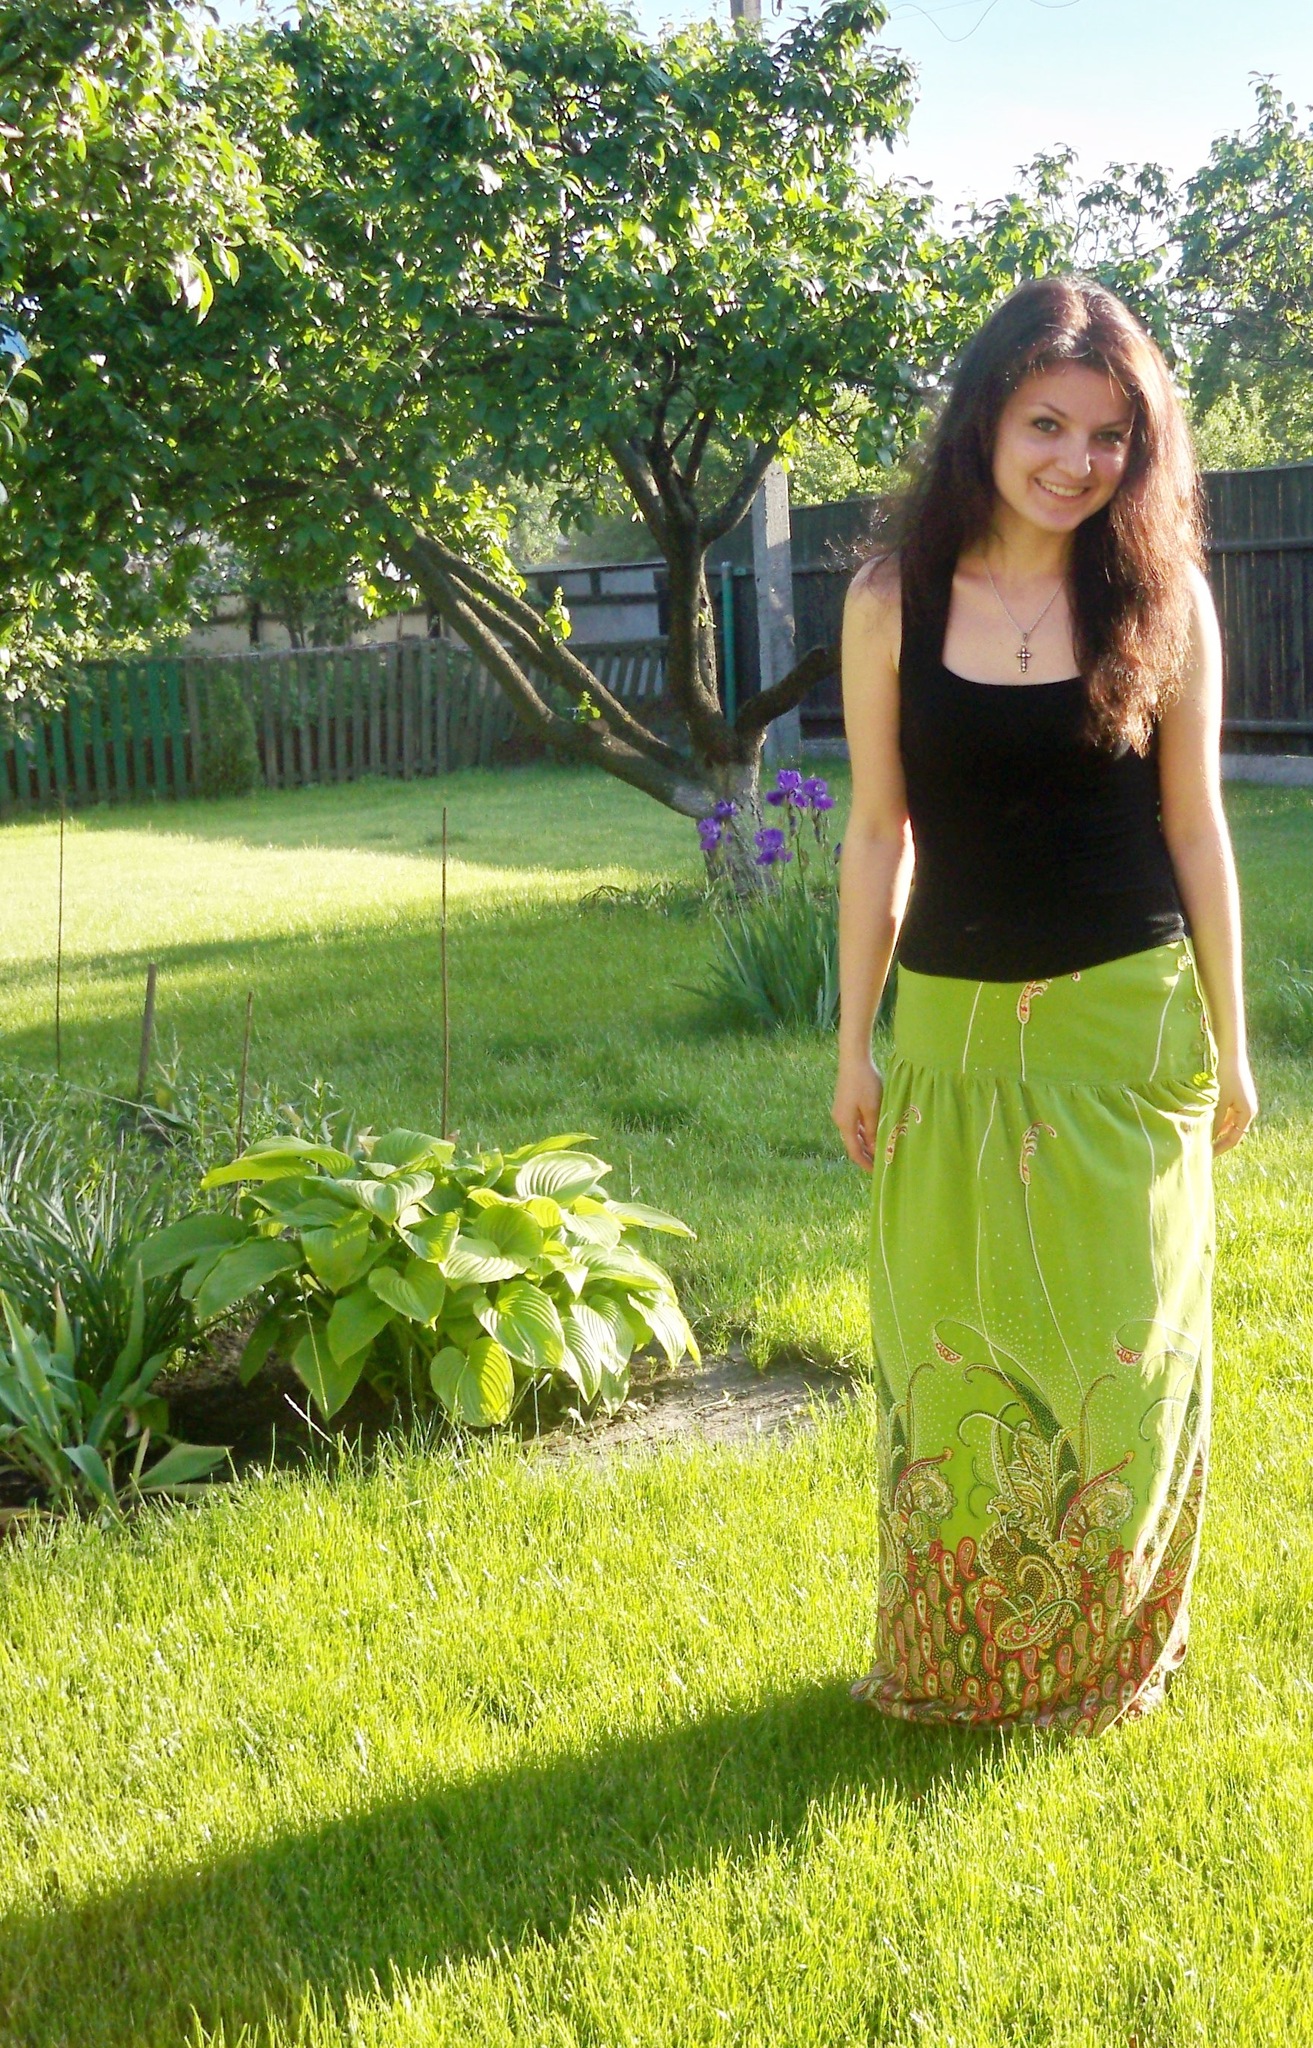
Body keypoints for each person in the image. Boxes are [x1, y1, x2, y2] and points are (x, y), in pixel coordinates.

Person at [832, 275, 1257, 1736]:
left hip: (1128, 1027)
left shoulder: (1162, 599)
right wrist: (853, 1045)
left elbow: (1196, 828)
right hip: (947, 1033)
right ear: (984, 422)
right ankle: (961, 1658)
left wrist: (1236, 1047)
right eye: (1047, 425)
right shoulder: (888, 600)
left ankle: (1104, 1660)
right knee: (948, 1345)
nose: (1078, 461)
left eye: (1111, 436)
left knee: (1121, 1350)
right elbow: (875, 833)